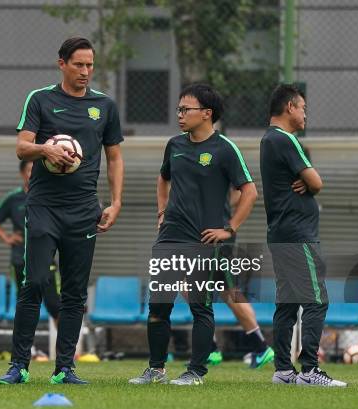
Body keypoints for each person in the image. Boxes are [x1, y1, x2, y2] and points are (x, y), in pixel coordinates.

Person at [0, 37, 124, 385]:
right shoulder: (40, 99)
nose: (85, 71)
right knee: (34, 281)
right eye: (79, 64)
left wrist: (115, 202)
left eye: (90, 65)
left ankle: (65, 368)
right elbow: (22, 147)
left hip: (84, 210)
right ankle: (19, 365)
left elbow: (114, 157)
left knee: (74, 291)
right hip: (43, 207)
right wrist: (45, 151)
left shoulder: (105, 106)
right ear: (62, 64)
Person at [129, 83, 257, 386]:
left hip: (203, 241)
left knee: (201, 306)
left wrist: (229, 229)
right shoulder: (174, 145)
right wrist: (161, 213)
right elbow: (163, 180)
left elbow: (249, 192)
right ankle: (156, 369)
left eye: (186, 109)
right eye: (179, 109)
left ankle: (196, 371)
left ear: (207, 113)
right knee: (158, 306)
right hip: (169, 238)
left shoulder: (225, 149)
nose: (180, 114)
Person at [260, 84, 346, 387]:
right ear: (289, 108)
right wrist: (308, 182)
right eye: (303, 108)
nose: (305, 114)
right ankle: (310, 371)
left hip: (282, 232)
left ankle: (283, 371)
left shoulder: (270, 140)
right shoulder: (285, 139)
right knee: (316, 299)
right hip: (297, 233)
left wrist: (305, 182)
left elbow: (307, 180)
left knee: (287, 302)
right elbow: (317, 182)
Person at [206, 187, 274, 369]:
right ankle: (208, 347)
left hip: (216, 235)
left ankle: (260, 346)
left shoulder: (227, 158)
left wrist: (228, 225)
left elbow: (244, 192)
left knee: (228, 291)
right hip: (200, 232)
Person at [0, 160, 61, 326]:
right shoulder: (14, 198)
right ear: (22, 173)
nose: (32, 174)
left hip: (46, 259)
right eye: (29, 170)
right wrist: (6, 237)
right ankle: (27, 349)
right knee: (25, 306)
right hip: (20, 259)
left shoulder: (49, 195)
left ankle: (65, 350)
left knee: (55, 305)